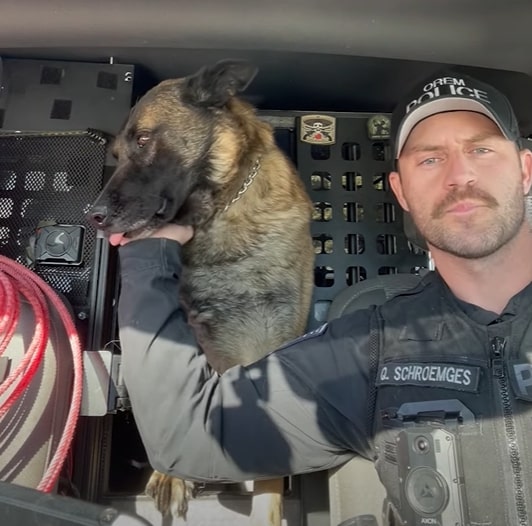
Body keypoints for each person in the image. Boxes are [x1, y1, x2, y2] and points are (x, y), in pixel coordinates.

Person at [111, 70, 532, 525]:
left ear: (526, 170)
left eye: (481, 149)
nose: (460, 174)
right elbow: (184, 439)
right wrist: (149, 254)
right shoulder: (368, 350)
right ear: (400, 192)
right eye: (429, 159)